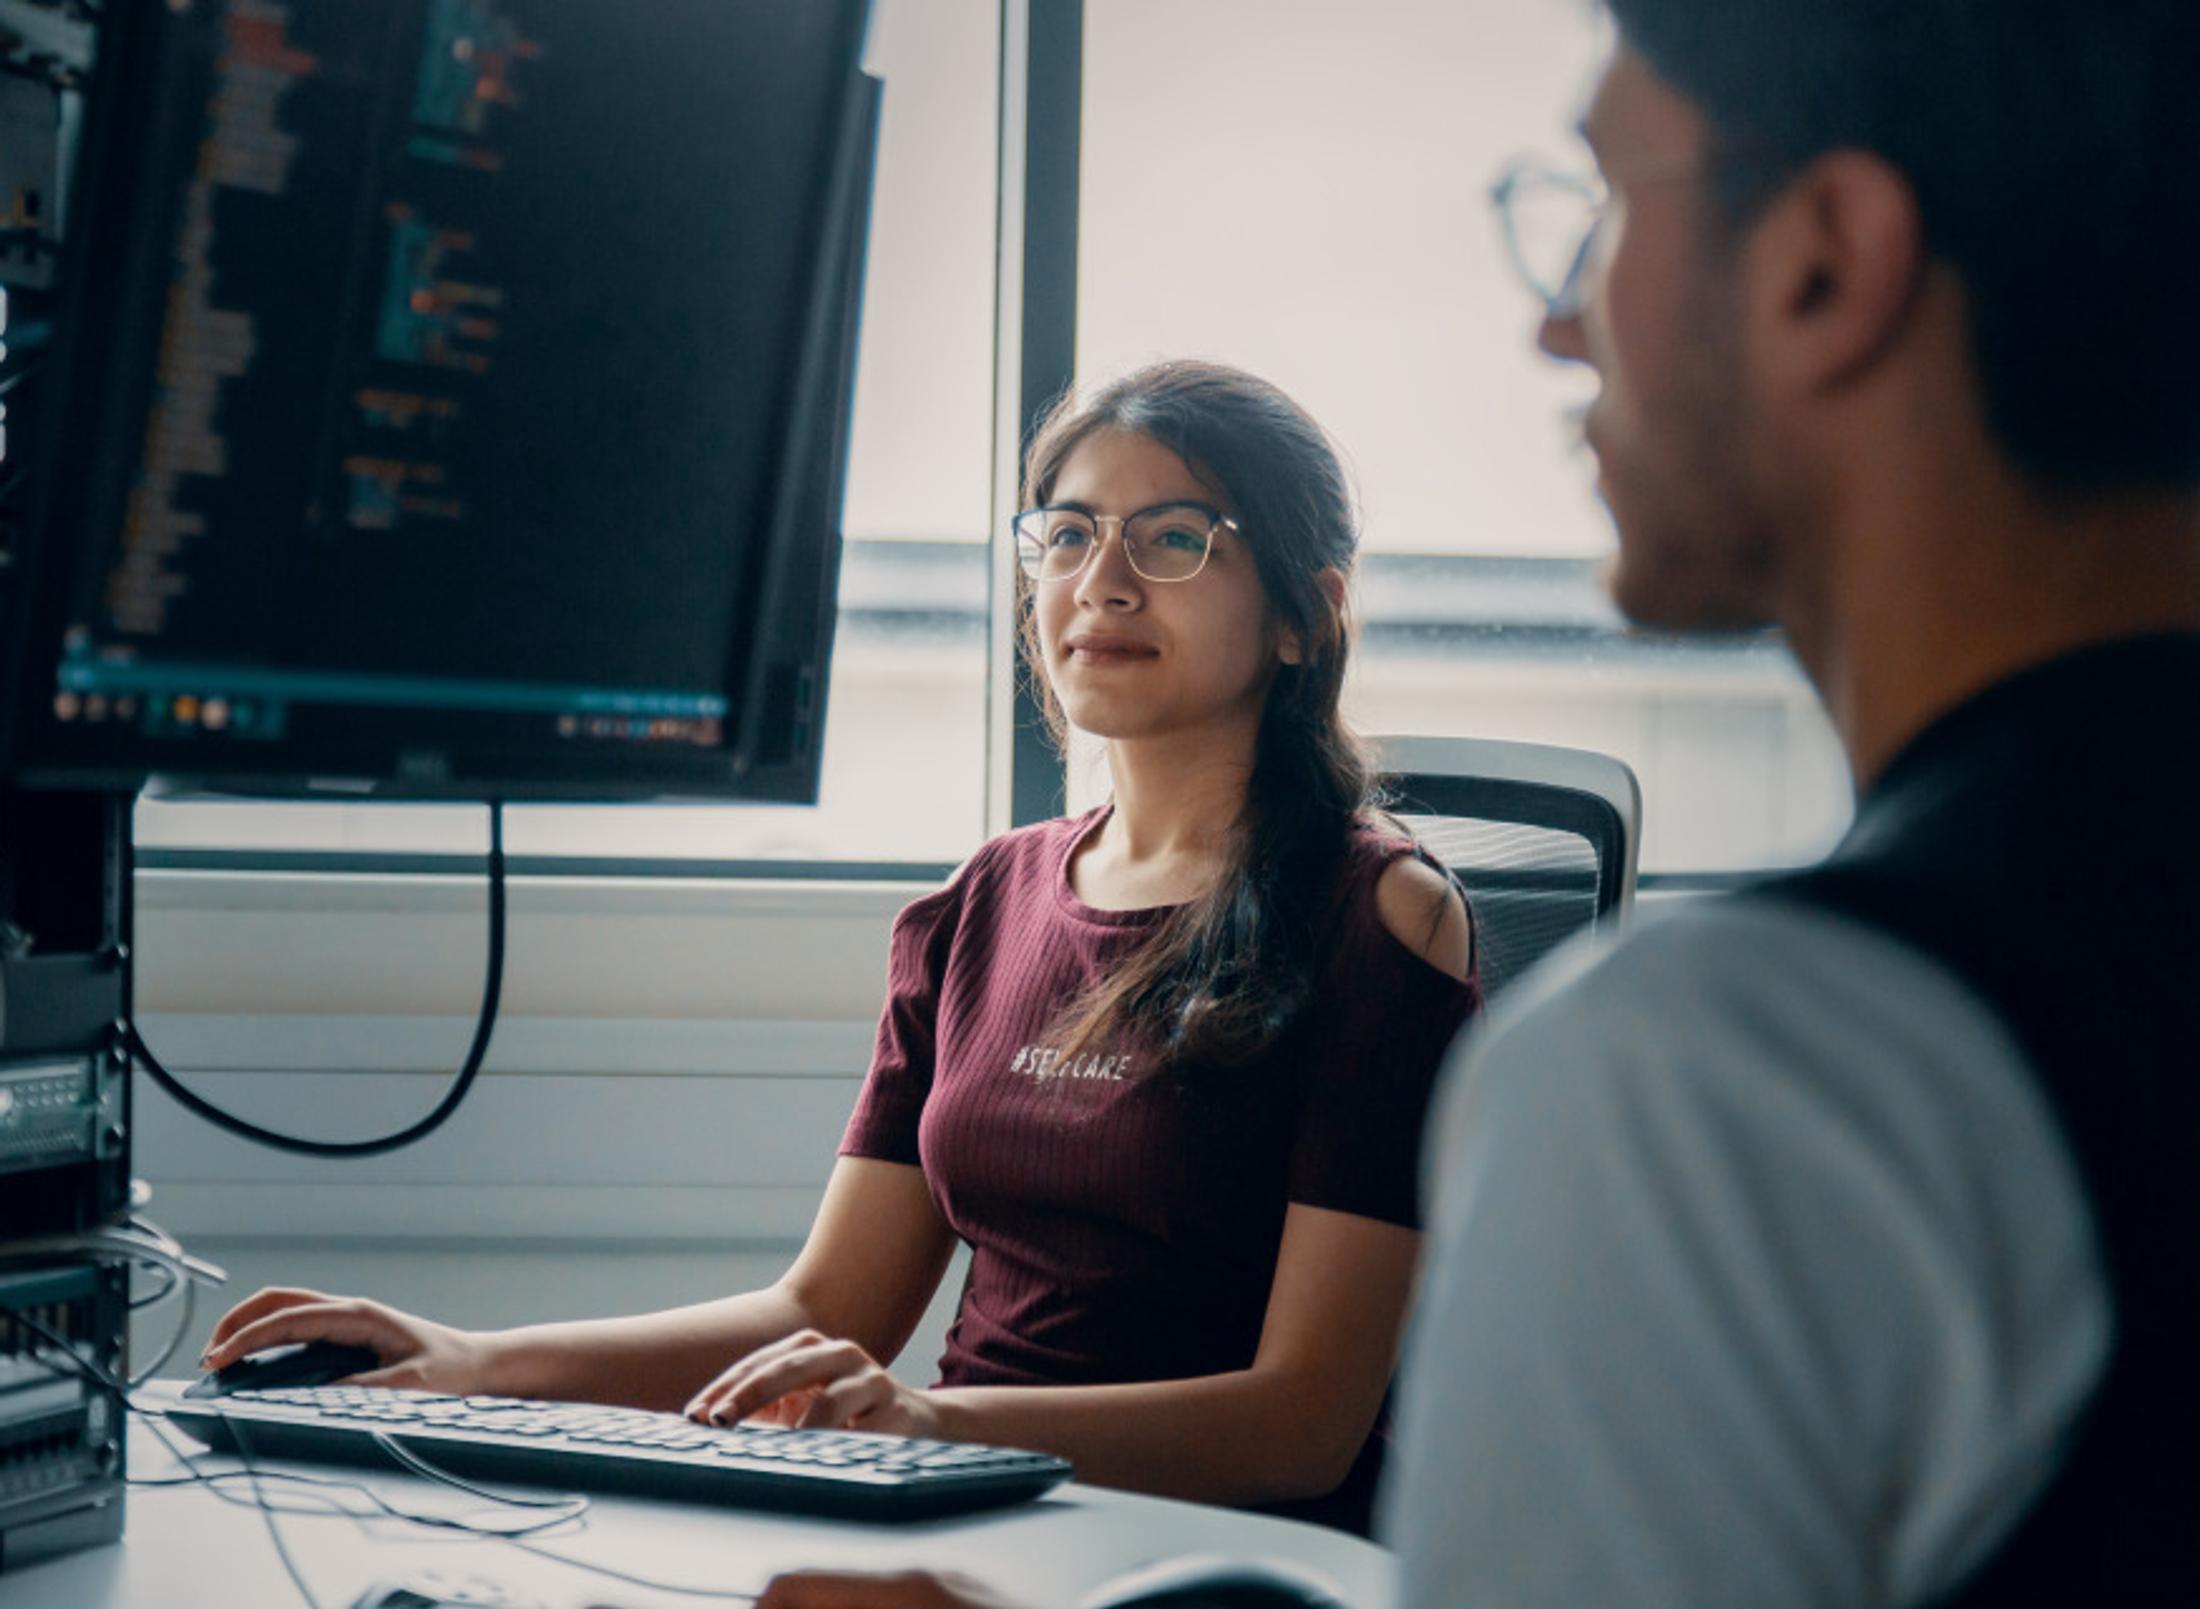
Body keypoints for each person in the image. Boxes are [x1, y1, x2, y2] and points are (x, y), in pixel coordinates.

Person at [757, 0, 2200, 1602]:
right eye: (1066, 536)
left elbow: (1319, 1435)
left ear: (1826, 262)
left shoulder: (1730, 1061)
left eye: (1605, 206)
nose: (1558, 330)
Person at [200, 359, 1478, 1536]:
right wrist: (470, 1360)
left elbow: (1304, 1422)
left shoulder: (1380, 917)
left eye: (1175, 538)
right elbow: (826, 1313)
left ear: (1305, 618)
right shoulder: (979, 904)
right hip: (966, 1521)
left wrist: (929, 1427)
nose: (1103, 582)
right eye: (1070, 534)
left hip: (1209, 1556)